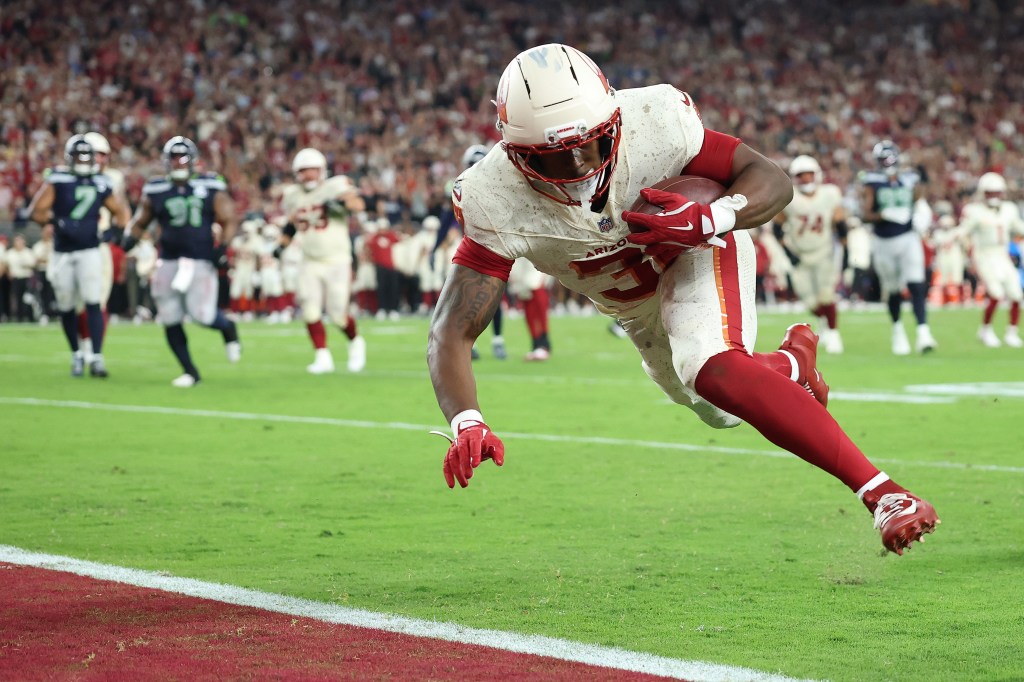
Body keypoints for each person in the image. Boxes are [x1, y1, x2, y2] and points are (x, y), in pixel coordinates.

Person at [426, 43, 939, 555]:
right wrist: (466, 418)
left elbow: (771, 180)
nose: (580, 163)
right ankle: (788, 365)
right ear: (516, 152)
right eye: (555, 155)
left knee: (708, 364)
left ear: (613, 122)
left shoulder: (656, 120)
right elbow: (452, 328)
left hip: (695, 245)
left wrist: (712, 217)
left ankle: (885, 494)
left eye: (592, 144)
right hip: (631, 304)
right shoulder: (493, 195)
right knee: (719, 408)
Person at [122, 135, 242, 387]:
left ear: (193, 161)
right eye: (174, 159)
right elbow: (141, 220)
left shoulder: (210, 185)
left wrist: (224, 247)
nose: (178, 163)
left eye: (183, 158)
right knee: (169, 316)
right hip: (168, 260)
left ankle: (228, 328)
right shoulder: (156, 188)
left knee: (202, 315)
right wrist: (128, 239)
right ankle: (190, 371)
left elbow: (229, 218)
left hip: (200, 260)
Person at [27, 134, 130, 377]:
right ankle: (76, 354)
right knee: (66, 305)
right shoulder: (59, 179)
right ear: (69, 158)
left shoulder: (101, 181)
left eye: (87, 156)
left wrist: (112, 233)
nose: (83, 161)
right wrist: (54, 221)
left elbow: (121, 212)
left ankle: (95, 357)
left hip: (90, 250)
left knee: (93, 301)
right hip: (62, 252)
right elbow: (36, 211)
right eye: (79, 156)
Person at [280, 147, 367, 373]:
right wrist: (281, 246)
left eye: (313, 170)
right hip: (309, 259)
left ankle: (355, 342)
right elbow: (292, 223)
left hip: (337, 258)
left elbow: (358, 205)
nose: (308, 175)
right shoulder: (292, 195)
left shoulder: (335, 186)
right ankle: (322, 356)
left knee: (338, 314)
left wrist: (342, 204)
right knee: (309, 308)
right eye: (304, 171)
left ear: (322, 171)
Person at [860, 140, 937, 355]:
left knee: (916, 285)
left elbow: (919, 198)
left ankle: (923, 332)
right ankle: (898, 330)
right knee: (893, 289)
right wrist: (883, 214)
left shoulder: (909, 178)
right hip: (883, 241)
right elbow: (865, 214)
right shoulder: (872, 181)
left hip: (908, 238)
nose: (886, 163)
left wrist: (921, 213)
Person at [772, 155, 847, 354]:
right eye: (801, 176)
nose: (806, 179)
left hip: (824, 251)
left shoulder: (829, 194)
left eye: (809, 175)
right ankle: (824, 320)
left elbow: (840, 223)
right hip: (800, 253)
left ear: (817, 175)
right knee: (809, 301)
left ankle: (833, 334)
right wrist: (788, 252)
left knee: (826, 295)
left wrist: (846, 249)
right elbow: (777, 228)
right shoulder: (790, 198)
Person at [958, 172, 1024, 348]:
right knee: (996, 293)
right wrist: (953, 239)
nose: (994, 196)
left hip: (1002, 254)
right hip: (984, 254)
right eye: (990, 192)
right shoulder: (974, 211)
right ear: (983, 192)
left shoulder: (1009, 209)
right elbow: (964, 231)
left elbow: (1018, 226)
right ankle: (986, 330)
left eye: (997, 192)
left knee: (1016, 294)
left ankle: (1012, 332)